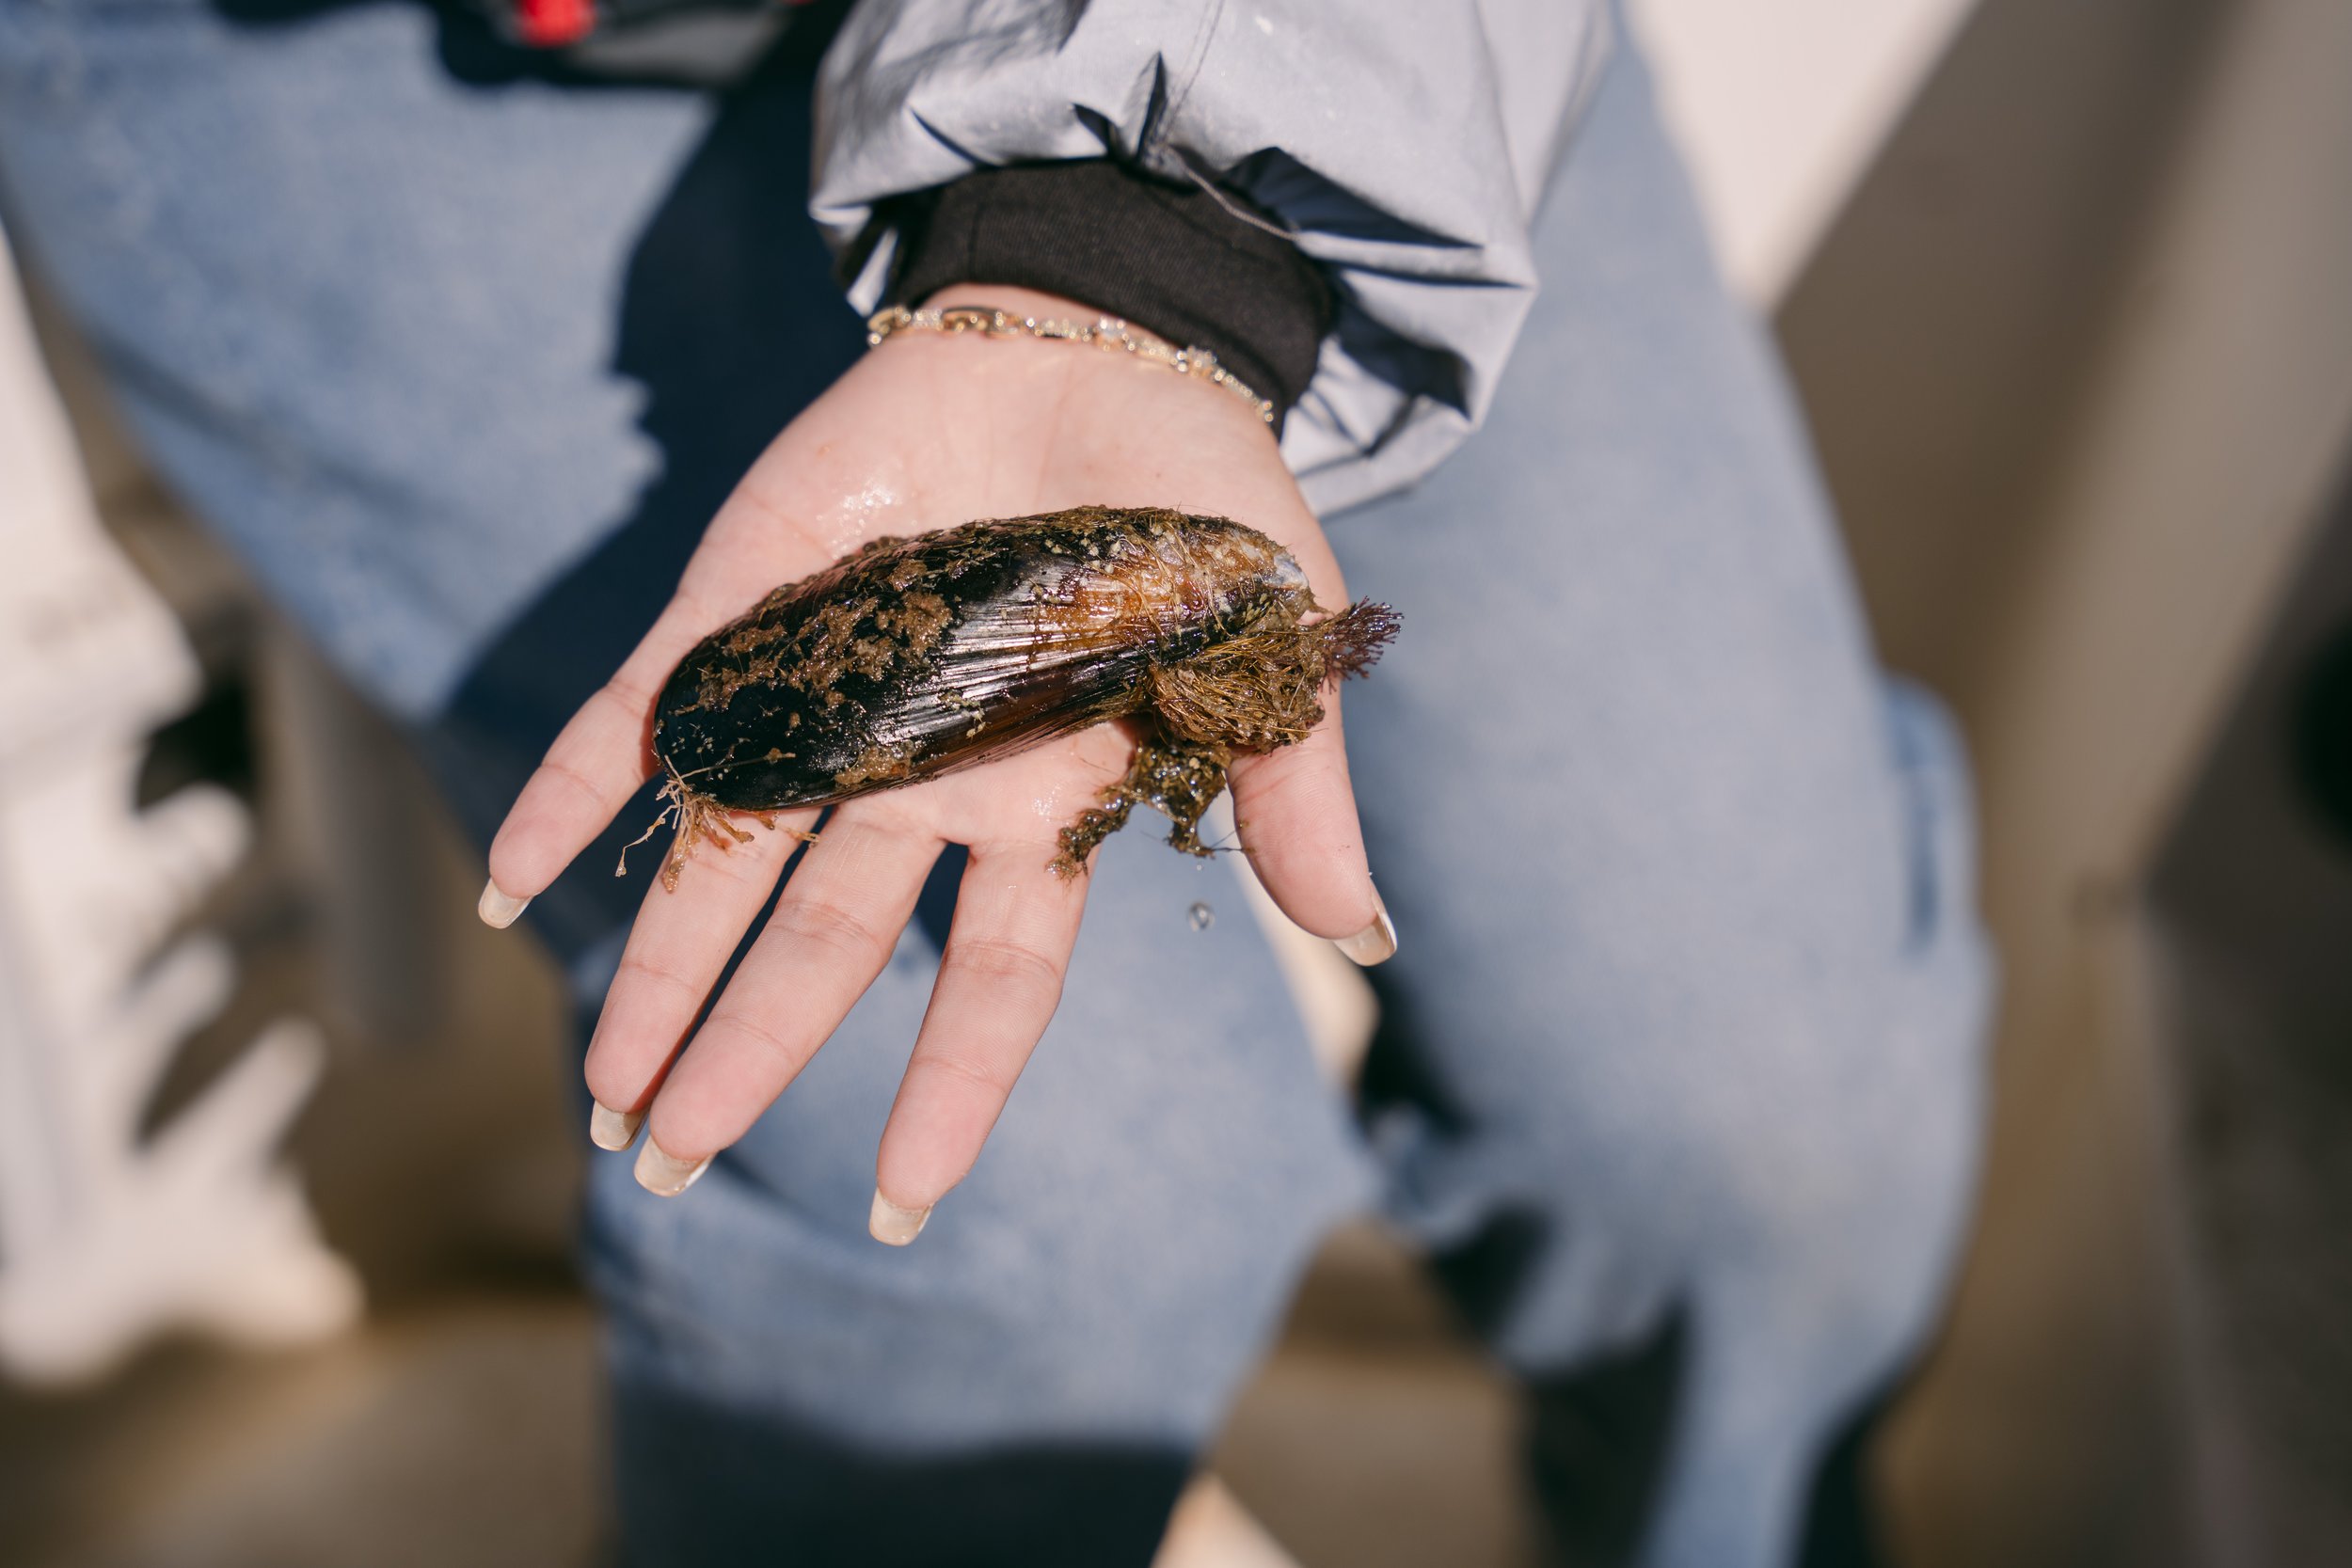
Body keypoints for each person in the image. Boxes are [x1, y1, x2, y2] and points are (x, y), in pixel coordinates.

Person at [0, 1, 1992, 1562]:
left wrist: (1144, 245)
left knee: (1753, 1110)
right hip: (385, 51)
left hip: (1344, 50)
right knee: (1029, 1236)